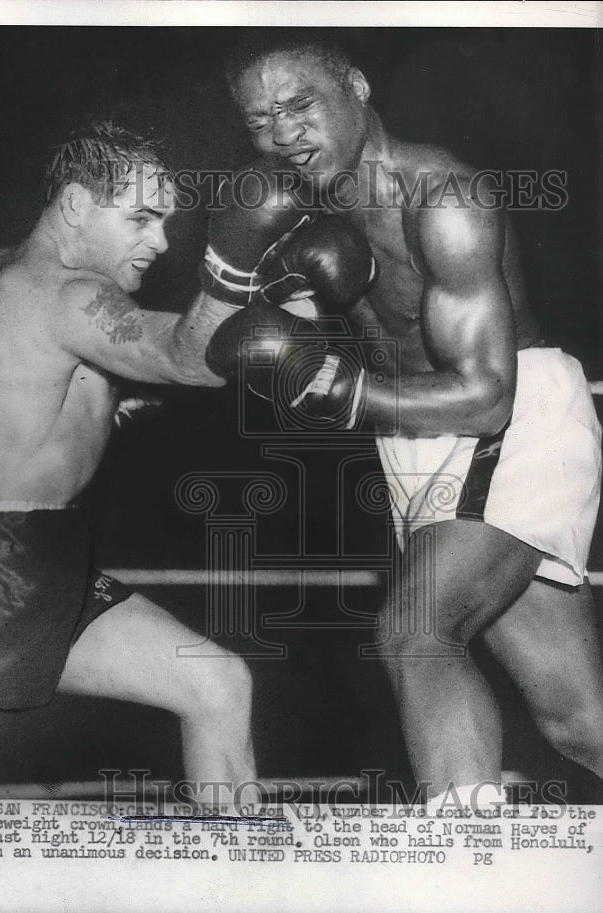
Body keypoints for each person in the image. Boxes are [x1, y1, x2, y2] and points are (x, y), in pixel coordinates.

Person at [214, 32, 603, 807]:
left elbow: (488, 392)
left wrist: (337, 387)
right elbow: (229, 348)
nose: (284, 134)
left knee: (415, 632)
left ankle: (464, 868)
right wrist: (230, 277)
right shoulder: (294, 207)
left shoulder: (444, 200)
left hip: (507, 421)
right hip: (414, 439)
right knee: (578, 720)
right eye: (261, 121)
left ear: (356, 88)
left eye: (301, 106)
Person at [0, 121, 275, 803]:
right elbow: (186, 358)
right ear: (77, 205)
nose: (161, 241)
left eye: (167, 220)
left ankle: (238, 891)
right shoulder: (68, 294)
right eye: (141, 218)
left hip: (42, 557)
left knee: (215, 682)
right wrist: (236, 264)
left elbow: (10, 397)